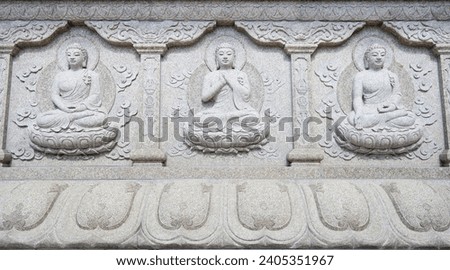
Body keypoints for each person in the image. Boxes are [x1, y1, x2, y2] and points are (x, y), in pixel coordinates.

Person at [36, 43, 106, 132]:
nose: (72, 57)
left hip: (83, 110)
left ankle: (71, 119)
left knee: (101, 118)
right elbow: (54, 95)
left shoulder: (92, 75)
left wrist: (81, 107)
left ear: (84, 58)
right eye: (69, 55)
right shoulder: (60, 76)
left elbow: (95, 95)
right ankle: (72, 119)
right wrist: (63, 107)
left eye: (76, 54)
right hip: (63, 111)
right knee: (41, 119)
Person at [347, 43, 416, 130]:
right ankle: (385, 120)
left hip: (388, 109)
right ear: (367, 58)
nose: (379, 57)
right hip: (369, 110)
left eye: (382, 55)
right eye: (375, 55)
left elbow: (397, 94)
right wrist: (359, 112)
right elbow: (357, 98)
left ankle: (379, 121)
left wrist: (393, 105)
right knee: (352, 117)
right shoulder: (360, 76)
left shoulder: (391, 75)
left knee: (410, 118)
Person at [197, 42, 260, 130]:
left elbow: (246, 95)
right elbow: (205, 97)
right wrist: (221, 82)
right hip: (217, 111)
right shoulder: (210, 76)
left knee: (254, 117)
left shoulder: (241, 75)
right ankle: (229, 121)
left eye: (229, 54)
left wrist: (232, 81)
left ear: (234, 57)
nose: (225, 56)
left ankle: (227, 120)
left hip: (238, 111)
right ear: (216, 58)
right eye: (221, 54)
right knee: (198, 119)